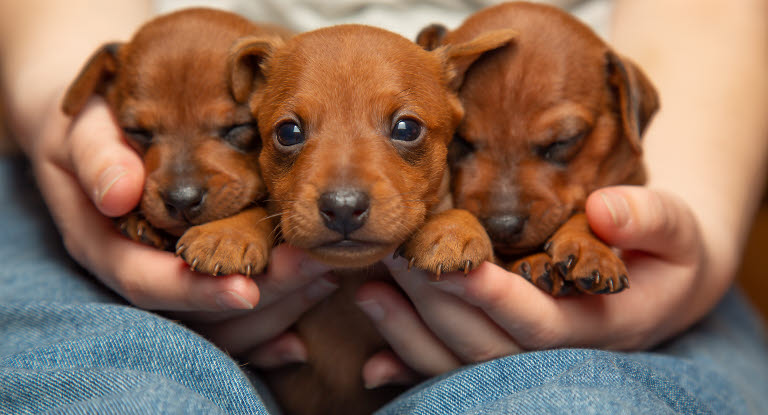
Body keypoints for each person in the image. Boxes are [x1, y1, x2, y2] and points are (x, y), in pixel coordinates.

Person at [1, 0, 766, 413]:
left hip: (681, 192)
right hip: (78, 210)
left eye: (409, 132)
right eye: (283, 131)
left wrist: (696, 216)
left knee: (572, 402)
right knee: (113, 390)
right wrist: (60, 118)